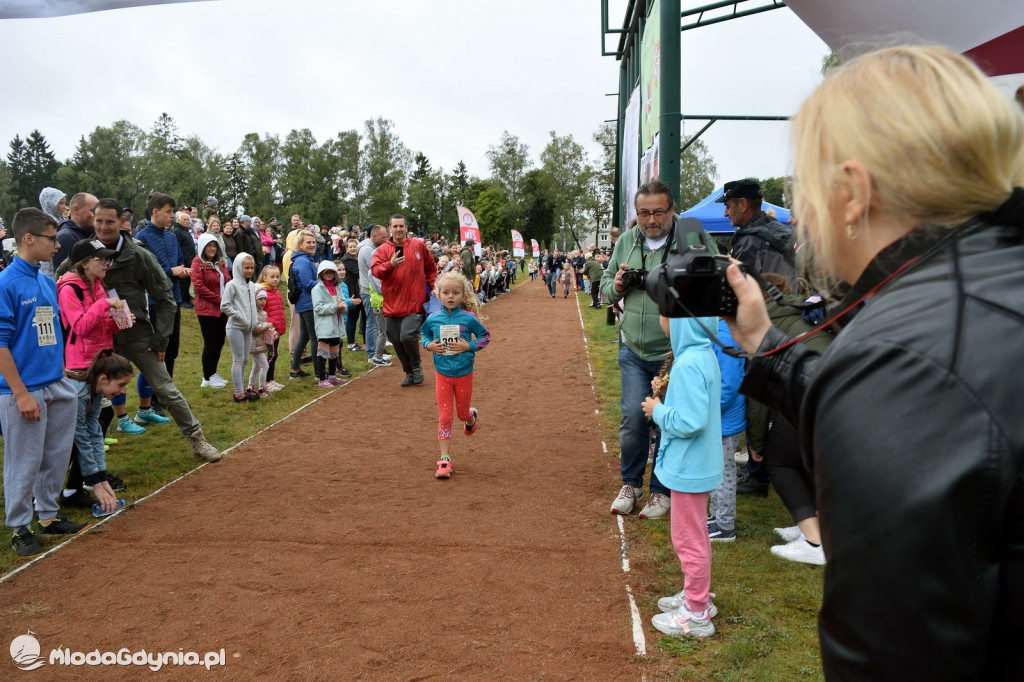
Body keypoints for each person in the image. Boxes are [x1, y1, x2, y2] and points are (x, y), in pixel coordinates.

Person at [724, 45, 1024, 678]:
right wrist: (766, 347)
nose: (800, 212)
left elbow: (892, 656)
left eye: (803, 188)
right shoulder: (985, 288)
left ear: (854, 192)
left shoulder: (904, 356)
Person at [56, 199, 221, 462]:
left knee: (165, 388)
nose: (104, 227)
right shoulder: (84, 253)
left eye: (110, 221)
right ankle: (75, 460)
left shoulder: (139, 255)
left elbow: (166, 299)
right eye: (99, 221)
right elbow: (63, 280)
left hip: (135, 335)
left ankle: (196, 437)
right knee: (79, 399)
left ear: (122, 222)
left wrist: (160, 338)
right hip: (95, 339)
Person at [601, 180, 713, 520]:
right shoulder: (625, 242)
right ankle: (631, 484)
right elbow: (605, 288)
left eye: (658, 212)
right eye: (643, 212)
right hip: (633, 348)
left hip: (674, 353)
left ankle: (661, 492)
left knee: (668, 422)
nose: (650, 220)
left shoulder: (693, 239)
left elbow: (711, 283)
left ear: (672, 209)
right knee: (633, 419)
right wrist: (617, 285)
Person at [1, 208, 87, 557]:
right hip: (23, 390)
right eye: (52, 239)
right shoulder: (7, 283)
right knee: (24, 460)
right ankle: (19, 527)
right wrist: (20, 394)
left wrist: (61, 371)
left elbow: (49, 332)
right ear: (29, 238)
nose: (57, 245)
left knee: (55, 455)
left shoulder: (46, 280)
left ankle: (48, 516)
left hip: (56, 382)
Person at [642, 315, 722, 639]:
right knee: (696, 537)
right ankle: (695, 595)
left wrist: (657, 410)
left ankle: (697, 613)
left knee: (689, 541)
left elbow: (690, 421)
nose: (663, 319)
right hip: (695, 465)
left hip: (690, 467)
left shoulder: (689, 363)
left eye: (668, 314)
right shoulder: (701, 354)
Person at [746, 273, 829, 565]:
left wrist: (756, 443)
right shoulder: (799, 308)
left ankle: (815, 542)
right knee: (807, 460)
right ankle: (816, 525)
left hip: (809, 391)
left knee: (779, 460)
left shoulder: (765, 323)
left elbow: (760, 393)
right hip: (839, 385)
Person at [56, 237, 133, 508]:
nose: (107, 264)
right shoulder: (69, 290)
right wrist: (103, 307)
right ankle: (78, 483)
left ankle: (85, 483)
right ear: (85, 262)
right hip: (80, 368)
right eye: (102, 259)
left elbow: (99, 327)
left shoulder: (99, 286)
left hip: (100, 361)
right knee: (81, 431)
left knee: (95, 424)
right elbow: (79, 327)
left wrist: (119, 322)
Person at [421, 271, 490, 478]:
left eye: (455, 292)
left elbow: (484, 337)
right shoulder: (433, 318)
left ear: (463, 295)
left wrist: (468, 346)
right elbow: (424, 334)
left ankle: (471, 417)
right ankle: (444, 459)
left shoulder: (469, 318)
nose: (450, 296)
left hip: (463, 373)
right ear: (438, 295)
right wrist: (429, 345)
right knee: (445, 416)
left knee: (461, 414)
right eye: (446, 292)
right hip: (442, 373)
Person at [370, 214, 436, 387]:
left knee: (407, 335)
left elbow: (431, 268)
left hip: (414, 302)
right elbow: (375, 271)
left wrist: (434, 286)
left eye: (401, 226)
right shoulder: (383, 250)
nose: (398, 229)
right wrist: (390, 264)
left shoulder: (419, 246)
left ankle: (416, 367)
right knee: (395, 337)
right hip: (392, 303)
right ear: (390, 228)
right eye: (395, 226)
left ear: (406, 227)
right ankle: (408, 372)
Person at [68, 350, 134, 516]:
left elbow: (95, 434)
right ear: (103, 379)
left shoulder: (95, 391)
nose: (122, 391)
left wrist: (102, 479)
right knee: (64, 448)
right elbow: (81, 439)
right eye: (120, 385)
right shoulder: (78, 395)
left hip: (61, 430)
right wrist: (95, 484)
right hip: (32, 425)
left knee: (100, 425)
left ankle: (68, 494)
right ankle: (40, 505)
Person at [706, 320, 746, 543]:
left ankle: (726, 525)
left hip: (724, 418)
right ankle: (715, 516)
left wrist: (709, 410)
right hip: (719, 417)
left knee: (723, 471)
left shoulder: (724, 336)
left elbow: (729, 385)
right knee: (715, 469)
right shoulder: (720, 332)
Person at [717, 179, 797, 287]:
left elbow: (740, 288)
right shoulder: (778, 230)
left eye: (728, 207)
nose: (725, 214)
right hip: (789, 301)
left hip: (764, 303)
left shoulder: (750, 242)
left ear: (743, 204)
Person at [190, 233, 230, 389]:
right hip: (207, 309)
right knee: (210, 342)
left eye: (214, 246)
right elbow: (199, 287)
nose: (212, 249)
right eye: (209, 246)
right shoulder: (197, 264)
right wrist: (219, 299)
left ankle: (213, 373)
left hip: (222, 308)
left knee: (219, 341)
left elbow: (227, 280)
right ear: (202, 247)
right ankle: (207, 377)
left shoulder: (218, 263)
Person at [221, 253, 261, 402]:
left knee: (245, 360)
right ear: (239, 267)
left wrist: (253, 319)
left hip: (248, 328)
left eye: (252, 268)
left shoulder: (251, 285)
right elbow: (225, 305)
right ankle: (238, 393)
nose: (250, 270)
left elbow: (251, 305)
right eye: (246, 268)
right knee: (238, 359)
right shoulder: (232, 285)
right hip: (235, 327)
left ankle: (242, 388)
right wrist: (239, 316)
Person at [310, 260, 350, 388]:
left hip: (336, 323)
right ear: (321, 274)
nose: (329, 274)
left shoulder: (337, 287)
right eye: (326, 272)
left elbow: (342, 300)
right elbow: (319, 308)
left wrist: (343, 306)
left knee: (334, 351)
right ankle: (322, 379)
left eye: (331, 272)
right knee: (323, 352)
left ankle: (332, 376)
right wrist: (335, 306)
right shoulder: (316, 289)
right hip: (324, 324)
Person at [288, 230, 320, 381]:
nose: (312, 244)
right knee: (315, 338)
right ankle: (319, 373)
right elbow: (308, 283)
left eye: (313, 242)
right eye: (308, 242)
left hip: (306, 303)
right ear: (300, 244)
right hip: (308, 303)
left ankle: (295, 369)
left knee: (305, 336)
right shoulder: (303, 261)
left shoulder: (305, 259)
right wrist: (325, 284)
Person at [256, 265, 286, 392]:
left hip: (277, 330)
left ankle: (271, 379)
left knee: (273, 354)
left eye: (277, 277)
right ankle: (265, 382)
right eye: (272, 277)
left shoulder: (277, 292)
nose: (275, 279)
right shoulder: (263, 293)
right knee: (272, 354)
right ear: (264, 277)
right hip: (269, 330)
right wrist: (268, 326)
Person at [52, 192, 97, 274]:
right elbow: (65, 275)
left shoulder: (91, 233)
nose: (97, 215)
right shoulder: (66, 238)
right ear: (76, 210)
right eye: (93, 211)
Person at [248, 288, 276, 397]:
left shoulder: (263, 313)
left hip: (260, 343)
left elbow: (263, 329)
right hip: (254, 344)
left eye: (265, 299)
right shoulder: (252, 313)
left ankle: (250, 387)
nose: (263, 301)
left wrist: (273, 333)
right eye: (260, 299)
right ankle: (261, 389)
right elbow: (255, 328)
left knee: (256, 367)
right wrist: (267, 325)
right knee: (265, 366)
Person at [339, 237, 364, 352]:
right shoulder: (347, 260)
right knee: (352, 317)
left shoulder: (355, 258)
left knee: (360, 317)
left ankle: (364, 343)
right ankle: (350, 343)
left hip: (357, 290)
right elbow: (359, 273)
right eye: (351, 247)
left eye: (355, 247)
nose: (353, 249)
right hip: (352, 292)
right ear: (347, 248)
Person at [172, 210, 196, 308]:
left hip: (190, 260)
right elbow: (177, 247)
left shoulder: (186, 230)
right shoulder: (177, 231)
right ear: (179, 220)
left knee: (187, 282)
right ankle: (182, 300)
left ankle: (186, 298)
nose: (186, 221)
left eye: (188, 219)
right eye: (184, 219)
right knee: (182, 282)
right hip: (183, 261)